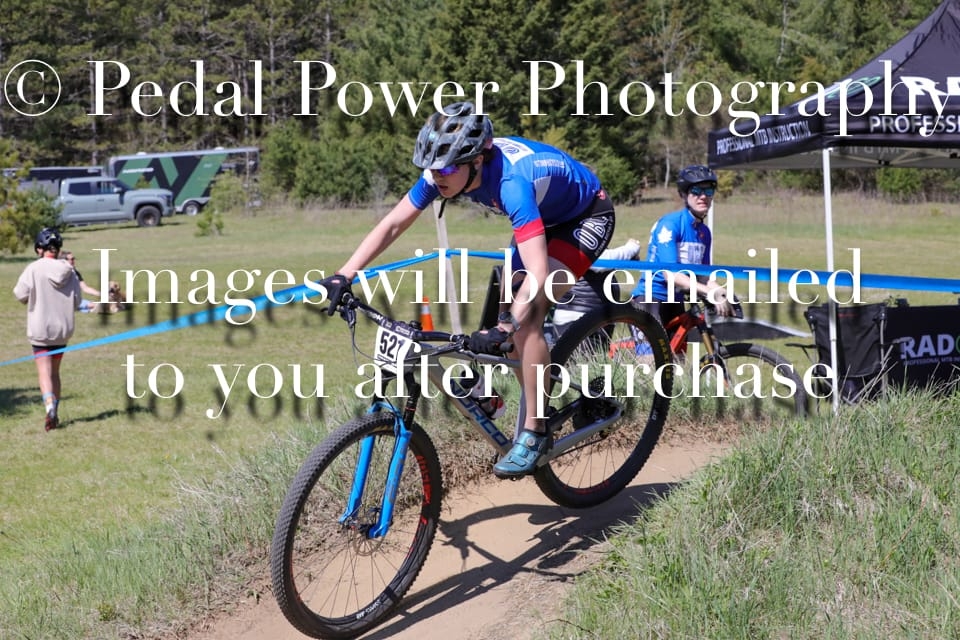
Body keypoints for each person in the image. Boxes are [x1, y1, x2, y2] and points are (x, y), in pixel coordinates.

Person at [319, 102, 616, 478]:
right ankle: (525, 395)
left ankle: (536, 430)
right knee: (509, 313)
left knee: (525, 318)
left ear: (476, 160)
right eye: (430, 167)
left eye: (445, 169)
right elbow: (394, 223)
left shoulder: (511, 184)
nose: (436, 176)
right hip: (541, 217)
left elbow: (540, 272)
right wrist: (344, 274)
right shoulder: (444, 170)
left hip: (584, 217)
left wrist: (507, 326)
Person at [631, 165, 734, 327]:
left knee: (682, 345)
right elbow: (671, 275)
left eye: (708, 191)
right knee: (654, 345)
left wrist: (721, 292)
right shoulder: (670, 224)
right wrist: (709, 291)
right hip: (651, 298)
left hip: (676, 300)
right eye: (696, 191)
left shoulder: (704, 232)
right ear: (684, 194)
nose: (703, 196)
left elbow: (703, 276)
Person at [13, 227, 81, 431]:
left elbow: (20, 294)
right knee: (55, 372)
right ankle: (55, 409)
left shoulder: (33, 268)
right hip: (62, 331)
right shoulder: (69, 271)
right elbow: (77, 301)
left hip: (41, 329)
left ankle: (49, 407)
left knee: (44, 372)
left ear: (38, 249)